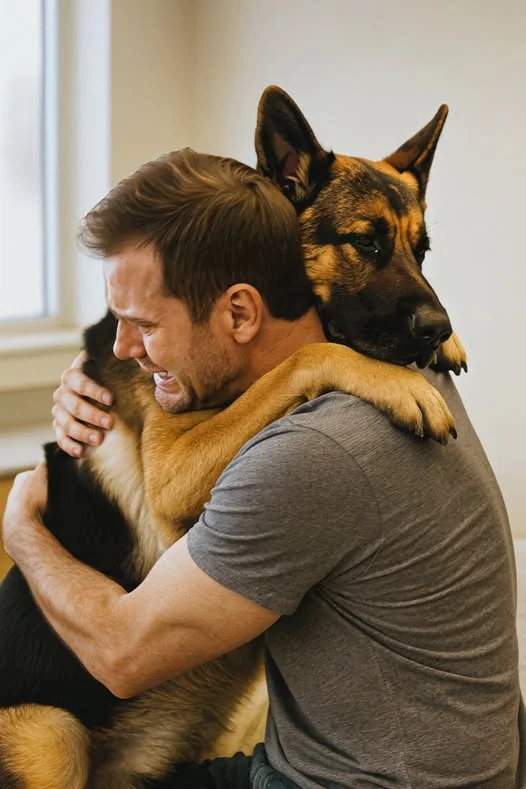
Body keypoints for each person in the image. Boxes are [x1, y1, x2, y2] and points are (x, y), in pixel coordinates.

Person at [3, 148, 524, 789]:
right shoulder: (411, 364)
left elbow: (122, 654)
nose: (122, 349)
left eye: (143, 324)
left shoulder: (311, 449)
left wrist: (22, 531)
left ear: (242, 312)